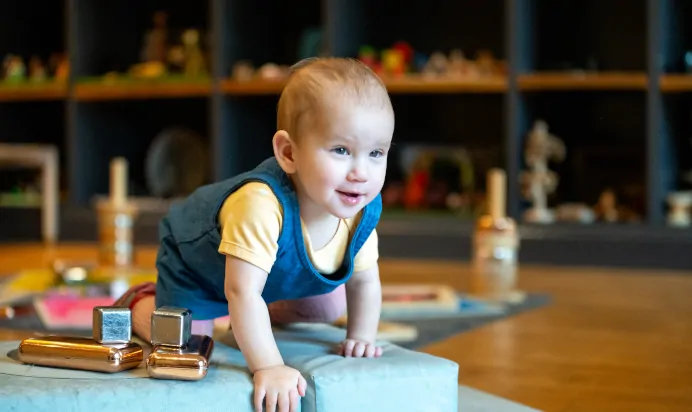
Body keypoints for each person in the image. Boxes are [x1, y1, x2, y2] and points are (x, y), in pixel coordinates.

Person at [115, 57, 395, 412]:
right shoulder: (260, 204)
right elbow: (241, 292)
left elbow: (365, 283)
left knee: (330, 304)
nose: (361, 172)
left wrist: (361, 337)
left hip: (261, 275)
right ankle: (138, 303)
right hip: (200, 267)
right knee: (189, 341)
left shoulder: (360, 207)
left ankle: (262, 316)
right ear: (289, 153)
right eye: (341, 150)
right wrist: (269, 366)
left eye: (376, 153)